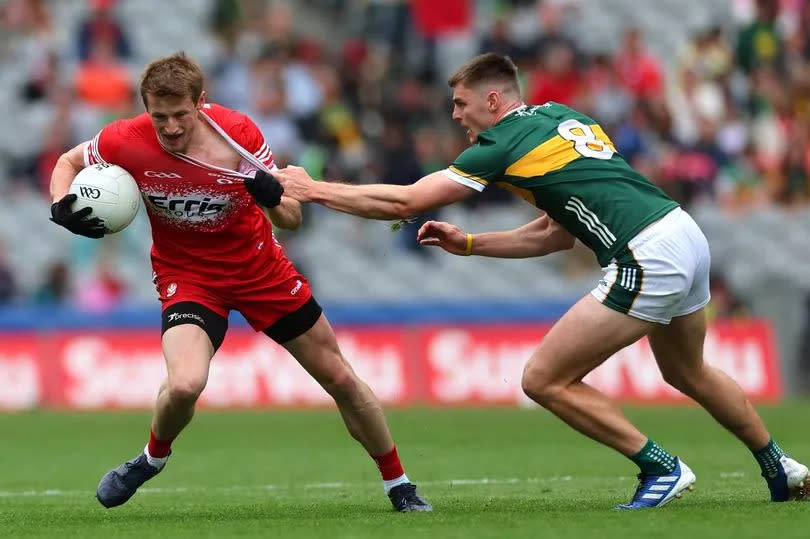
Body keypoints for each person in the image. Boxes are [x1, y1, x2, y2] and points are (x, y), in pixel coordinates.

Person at [273, 52, 809, 509]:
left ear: (492, 101)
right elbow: (555, 234)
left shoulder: (500, 143)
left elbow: (406, 201)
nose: (456, 115)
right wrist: (470, 244)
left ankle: (661, 467)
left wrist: (312, 189)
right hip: (682, 232)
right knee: (687, 369)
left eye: (461, 103)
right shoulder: (559, 117)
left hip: (647, 253)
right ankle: (779, 467)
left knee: (544, 379)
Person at [48, 52, 431, 513]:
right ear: (145, 107)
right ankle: (152, 458)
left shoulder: (239, 137)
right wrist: (60, 205)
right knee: (186, 384)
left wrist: (273, 197)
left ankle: (400, 485)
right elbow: (69, 162)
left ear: (201, 103)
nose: (169, 127)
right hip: (188, 276)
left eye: (180, 115)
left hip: (259, 271)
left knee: (340, 377)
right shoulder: (123, 139)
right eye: (159, 116)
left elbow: (291, 218)